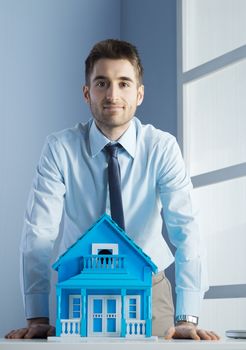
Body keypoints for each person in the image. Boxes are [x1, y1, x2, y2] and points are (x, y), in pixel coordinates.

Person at [6, 39, 219, 340]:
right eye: (102, 83)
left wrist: (187, 317)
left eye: (124, 83)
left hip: (149, 286)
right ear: (86, 92)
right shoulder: (59, 149)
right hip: (80, 284)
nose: (112, 95)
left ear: (139, 94)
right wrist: (38, 315)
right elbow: (38, 233)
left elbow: (187, 230)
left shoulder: (162, 148)